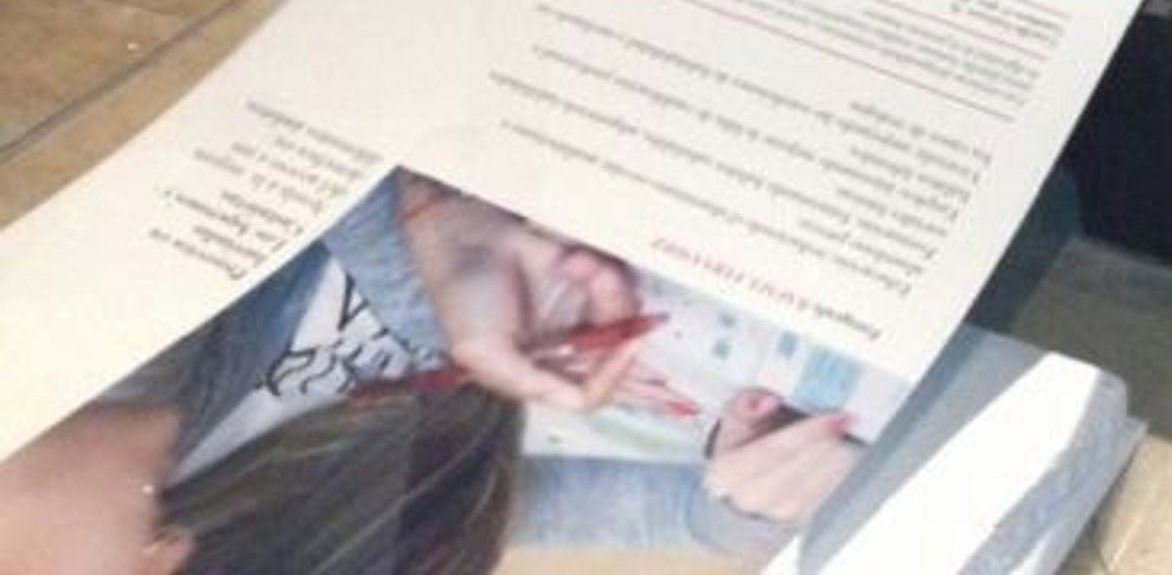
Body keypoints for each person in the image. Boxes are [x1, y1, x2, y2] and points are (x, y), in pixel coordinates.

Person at [0, 171, 860, 573]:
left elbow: (293, 107)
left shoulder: (71, 306)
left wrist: (437, 231)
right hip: (785, 235)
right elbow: (680, 521)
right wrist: (756, 494)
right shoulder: (281, 551)